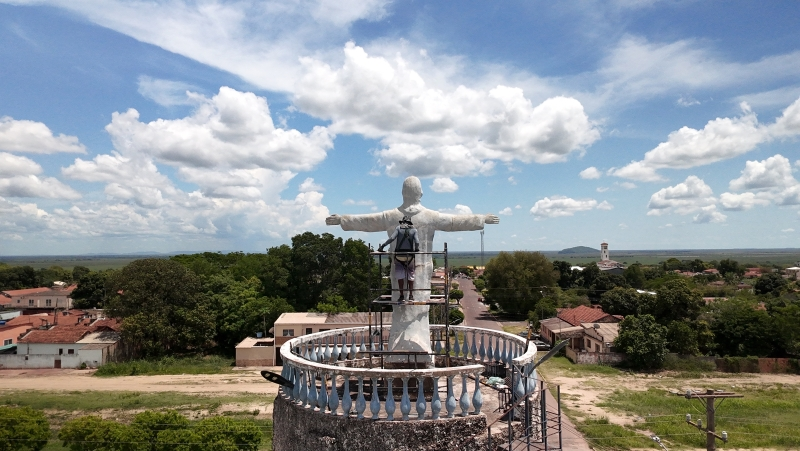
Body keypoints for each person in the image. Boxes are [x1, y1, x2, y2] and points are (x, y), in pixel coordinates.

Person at [378, 216, 420, 302]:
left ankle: (401, 296)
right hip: (410, 256)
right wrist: (416, 249)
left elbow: (392, 238)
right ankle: (411, 296)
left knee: (400, 277)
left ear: (402, 222)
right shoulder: (414, 230)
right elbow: (417, 242)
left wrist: (382, 246)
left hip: (399, 256)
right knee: (411, 275)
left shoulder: (398, 228)